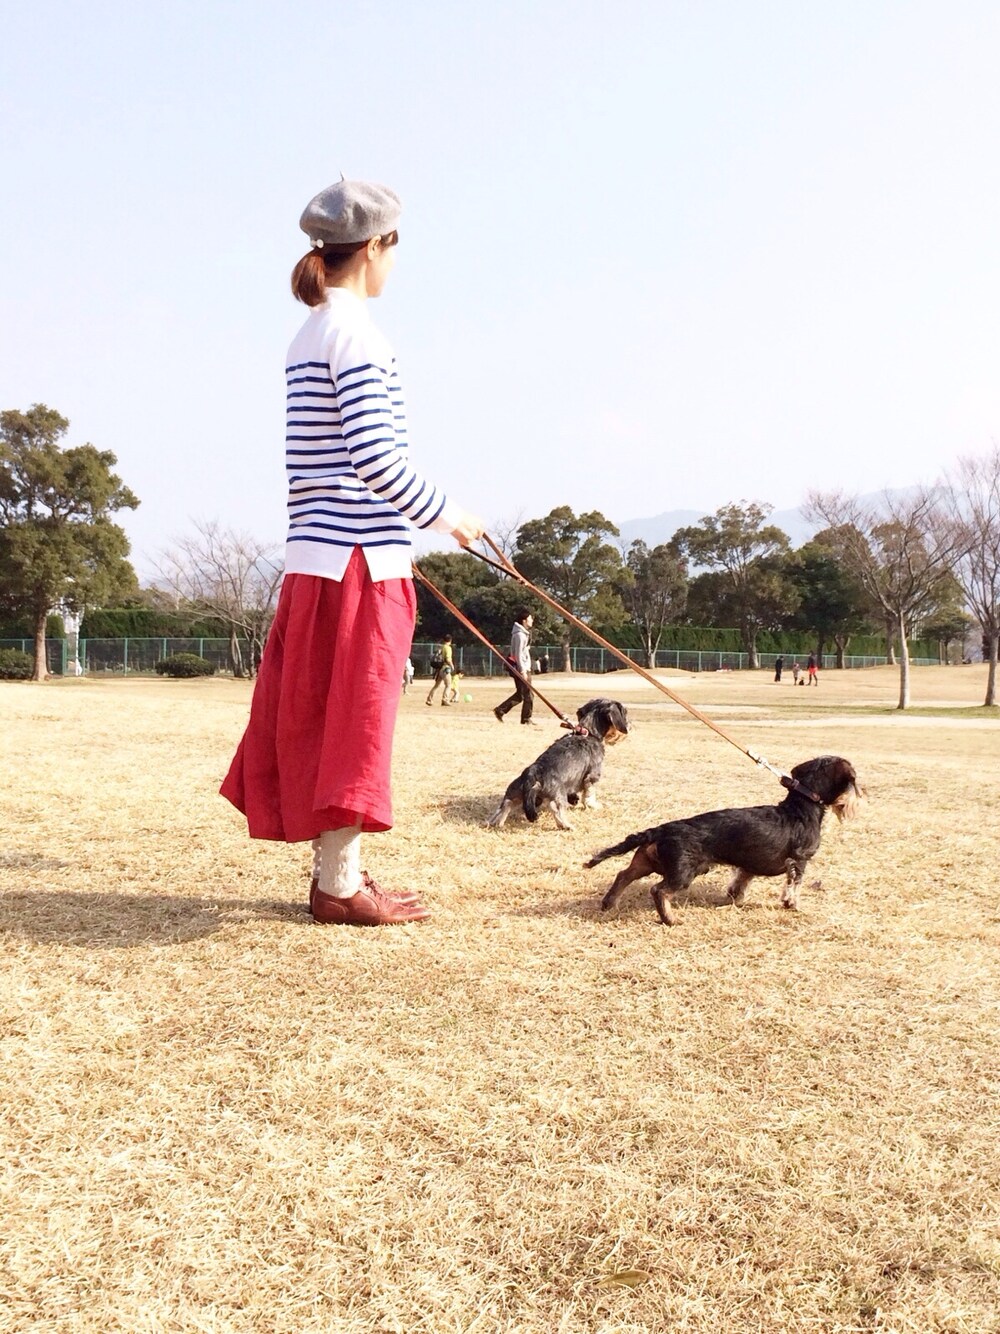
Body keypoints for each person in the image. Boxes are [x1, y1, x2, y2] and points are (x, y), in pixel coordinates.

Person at [220, 178, 485, 926]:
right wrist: (450, 518)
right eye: (394, 249)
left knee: (324, 720)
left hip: (317, 558)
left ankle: (336, 874)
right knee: (357, 724)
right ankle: (339, 886)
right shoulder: (359, 336)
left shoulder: (310, 333)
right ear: (373, 247)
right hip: (358, 563)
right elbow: (375, 457)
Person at [494, 610, 537, 725]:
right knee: (528, 694)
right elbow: (517, 654)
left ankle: (500, 710)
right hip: (520, 668)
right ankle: (526, 719)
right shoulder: (520, 635)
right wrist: (522, 670)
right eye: (530, 618)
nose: (532, 620)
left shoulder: (523, 634)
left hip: (522, 666)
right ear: (524, 621)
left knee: (521, 694)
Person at [425, 634, 454, 706]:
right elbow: (448, 659)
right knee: (448, 685)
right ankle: (445, 699)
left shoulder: (441, 647)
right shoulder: (448, 648)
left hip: (440, 669)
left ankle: (429, 699)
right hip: (445, 668)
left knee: (436, 685)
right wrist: (452, 666)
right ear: (450, 640)